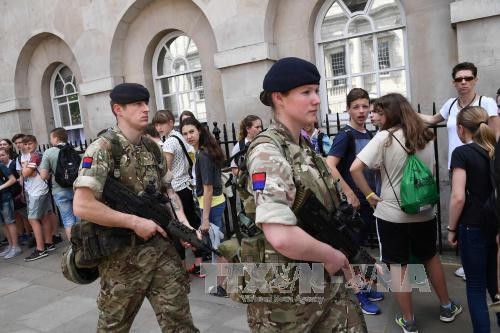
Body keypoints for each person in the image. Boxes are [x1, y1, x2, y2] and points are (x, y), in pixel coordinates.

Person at [242, 57, 366, 332]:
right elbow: (281, 236)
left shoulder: (303, 148)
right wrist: (333, 256)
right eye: (306, 92)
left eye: (316, 91)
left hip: (322, 283)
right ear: (279, 98)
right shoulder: (268, 152)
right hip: (290, 302)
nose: (316, 100)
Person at [72, 83, 199, 332]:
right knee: (114, 327)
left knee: (180, 324)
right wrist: (134, 222)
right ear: (118, 109)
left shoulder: (152, 147)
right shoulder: (102, 149)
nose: (145, 109)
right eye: (137, 104)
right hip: (122, 259)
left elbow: (169, 192)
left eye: (145, 103)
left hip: (161, 252)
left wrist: (182, 224)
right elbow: (83, 205)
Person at [350, 93, 462, 333]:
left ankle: (409, 321)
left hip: (392, 213)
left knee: (398, 265)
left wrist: (370, 195)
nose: (375, 116)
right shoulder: (425, 136)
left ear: (391, 113)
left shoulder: (384, 138)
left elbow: (355, 168)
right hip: (424, 211)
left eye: (380, 111)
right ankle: (446, 307)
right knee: (430, 258)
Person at [326, 88, 383, 315]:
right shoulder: (345, 135)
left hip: (368, 200)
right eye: (356, 107)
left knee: (360, 250)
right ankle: (358, 295)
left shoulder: (368, 134)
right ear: (348, 109)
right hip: (354, 204)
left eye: (365, 106)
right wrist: (349, 193)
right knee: (351, 251)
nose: (361, 111)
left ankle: (366, 288)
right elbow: (330, 165)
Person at [447, 105, 500, 332]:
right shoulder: (494, 150)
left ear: (461, 129)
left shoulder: (462, 153)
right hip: (495, 225)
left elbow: (458, 197)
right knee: (494, 285)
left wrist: (451, 229)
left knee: (476, 287)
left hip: (473, 226)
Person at [152, 110, 205, 278]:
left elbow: (165, 170)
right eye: (156, 124)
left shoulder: (168, 143)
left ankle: (183, 269)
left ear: (170, 122)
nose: (159, 127)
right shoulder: (179, 137)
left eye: (162, 123)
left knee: (178, 230)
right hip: (186, 186)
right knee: (191, 225)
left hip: (176, 189)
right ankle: (199, 264)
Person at [180, 116, 227, 296]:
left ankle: (223, 286)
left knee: (217, 246)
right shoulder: (203, 151)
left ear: (199, 130)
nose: (189, 136)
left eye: (191, 131)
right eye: (185, 133)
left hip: (212, 205)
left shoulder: (203, 155)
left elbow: (207, 189)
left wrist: (205, 218)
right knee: (217, 244)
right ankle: (224, 284)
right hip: (213, 203)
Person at [19, 135, 55, 261]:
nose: (28, 146)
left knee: (33, 219)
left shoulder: (36, 156)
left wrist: (25, 167)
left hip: (38, 192)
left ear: (35, 143)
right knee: (44, 217)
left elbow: (25, 173)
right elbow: (29, 173)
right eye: (26, 144)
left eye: (30, 143)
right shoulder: (33, 156)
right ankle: (48, 242)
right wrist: (27, 169)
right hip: (37, 190)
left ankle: (40, 249)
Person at [39, 127, 78, 240]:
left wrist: (53, 173)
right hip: (77, 188)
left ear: (55, 138)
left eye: (51, 138)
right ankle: (85, 246)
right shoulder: (75, 149)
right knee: (80, 218)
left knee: (68, 220)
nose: (50, 141)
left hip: (59, 190)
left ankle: (75, 248)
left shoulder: (48, 152)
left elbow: (43, 176)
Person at [0, 147, 22, 259]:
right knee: (3, 224)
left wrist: (0, 187)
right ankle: (10, 245)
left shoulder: (1, 165)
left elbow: (12, 179)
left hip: (5, 197)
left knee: (9, 222)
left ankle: (15, 247)